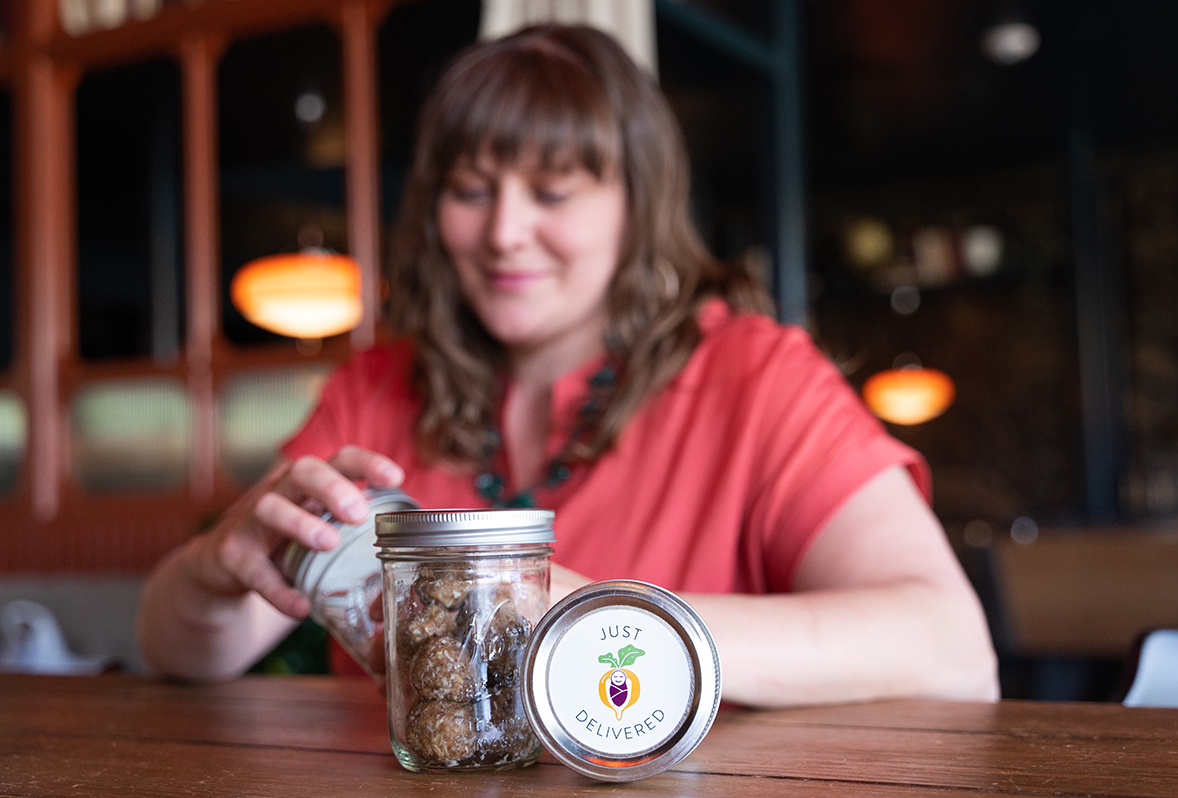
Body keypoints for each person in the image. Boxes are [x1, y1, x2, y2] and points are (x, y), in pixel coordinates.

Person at [137, 24, 999, 705]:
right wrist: (217, 569)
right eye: (471, 190)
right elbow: (185, 651)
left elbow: (949, 649)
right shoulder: (375, 387)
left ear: (637, 204)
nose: (505, 231)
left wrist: (598, 618)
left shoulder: (755, 375)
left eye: (552, 192)